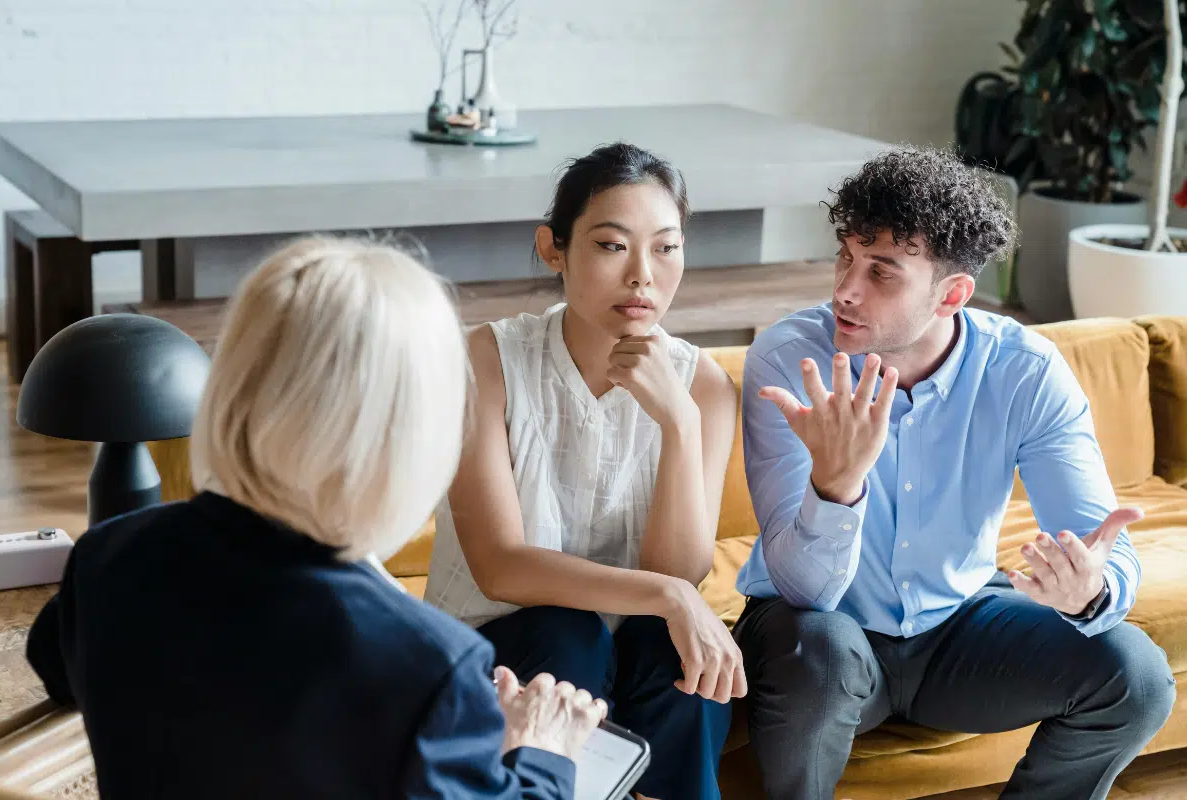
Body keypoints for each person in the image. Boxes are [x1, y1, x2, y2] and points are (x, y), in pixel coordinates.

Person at [25, 236, 608, 800]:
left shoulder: (108, 557)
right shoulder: (429, 668)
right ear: (411, 436)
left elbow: (59, 670)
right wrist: (542, 750)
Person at [733, 147, 1177, 800]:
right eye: (845, 257)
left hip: (957, 629)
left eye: (881, 272)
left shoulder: (1024, 370)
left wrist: (1089, 591)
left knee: (1135, 675)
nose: (845, 290)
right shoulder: (791, 360)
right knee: (819, 655)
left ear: (954, 294)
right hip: (819, 634)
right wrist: (837, 486)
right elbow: (802, 589)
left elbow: (1101, 543)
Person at [424, 142, 743, 800]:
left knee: (676, 650)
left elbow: (676, 572)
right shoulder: (485, 361)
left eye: (665, 247)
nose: (643, 277)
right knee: (571, 629)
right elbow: (500, 566)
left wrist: (678, 425)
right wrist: (670, 596)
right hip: (501, 651)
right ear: (553, 249)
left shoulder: (703, 389)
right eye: (611, 245)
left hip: (630, 651)